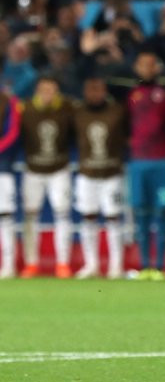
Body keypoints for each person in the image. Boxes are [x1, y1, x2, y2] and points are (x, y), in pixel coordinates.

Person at [72, 77, 127, 279]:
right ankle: (91, 265)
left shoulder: (117, 111)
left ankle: (116, 266)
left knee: (113, 218)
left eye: (99, 89)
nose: (95, 94)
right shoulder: (77, 112)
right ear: (85, 91)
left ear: (105, 91)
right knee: (88, 217)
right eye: (91, 89)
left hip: (111, 174)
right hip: (86, 174)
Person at [19, 76, 74, 279]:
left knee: (63, 214)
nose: (48, 94)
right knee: (30, 216)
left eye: (52, 90)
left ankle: (63, 264)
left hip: (59, 169)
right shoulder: (26, 111)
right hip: (33, 169)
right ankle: (31, 263)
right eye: (44, 90)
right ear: (37, 91)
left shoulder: (67, 109)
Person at [127, 52, 165, 280]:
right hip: (138, 162)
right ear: (136, 67)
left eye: (151, 63)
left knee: (161, 213)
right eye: (143, 64)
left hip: (161, 161)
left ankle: (161, 267)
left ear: (158, 67)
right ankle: (145, 266)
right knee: (141, 215)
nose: (147, 68)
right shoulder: (129, 94)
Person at [0, 90, 21, 279]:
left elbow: (13, 131)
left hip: (2, 168)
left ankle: (8, 266)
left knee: (5, 218)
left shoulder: (9, 100)